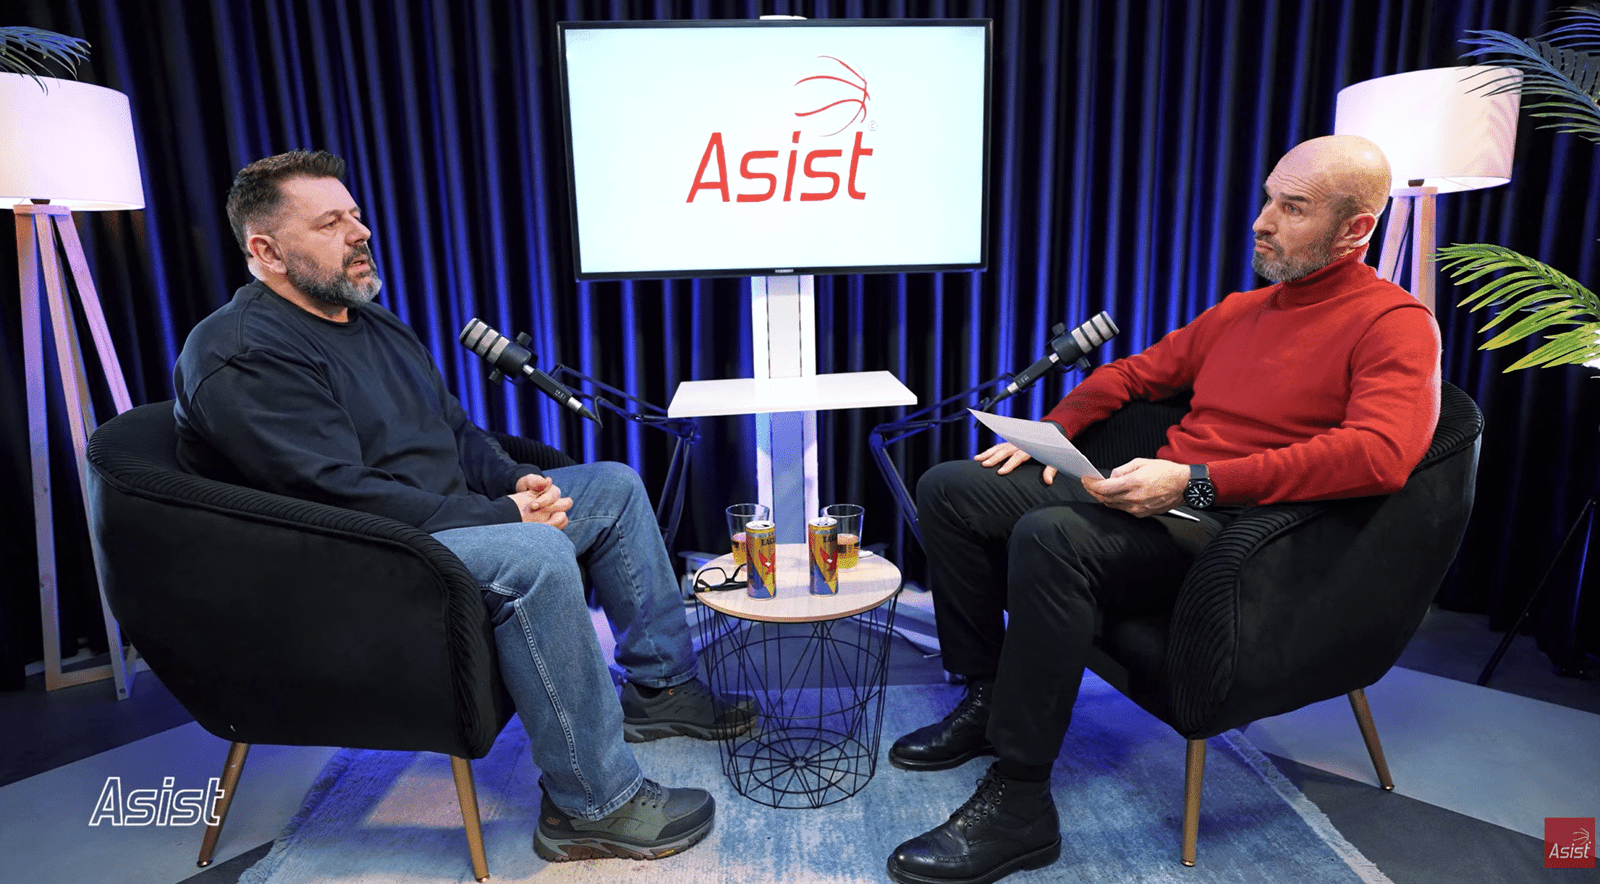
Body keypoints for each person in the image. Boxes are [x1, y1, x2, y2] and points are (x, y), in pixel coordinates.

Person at [885, 135, 1441, 884]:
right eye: (1268, 199)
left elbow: (1380, 455)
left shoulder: (1394, 322)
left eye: (1293, 208)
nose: (1262, 221)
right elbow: (1130, 375)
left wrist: (1196, 483)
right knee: (951, 488)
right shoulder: (1243, 311)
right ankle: (987, 696)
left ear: (1355, 229)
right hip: (1164, 497)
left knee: (1051, 537)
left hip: (1236, 534)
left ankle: (1020, 803)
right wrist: (1057, 429)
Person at [173, 149, 755, 863]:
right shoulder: (240, 353)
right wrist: (505, 519)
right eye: (330, 223)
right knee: (535, 554)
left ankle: (661, 691)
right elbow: (333, 496)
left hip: (439, 526)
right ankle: (590, 805)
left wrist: (519, 483)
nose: (360, 232)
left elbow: (454, 431)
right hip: (357, 559)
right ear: (266, 251)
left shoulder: (373, 321)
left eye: (355, 214)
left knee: (609, 485)